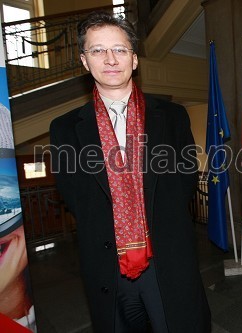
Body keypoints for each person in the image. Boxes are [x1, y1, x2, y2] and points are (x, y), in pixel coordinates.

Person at [49, 11, 210, 332]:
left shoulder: (172, 115)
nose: (110, 59)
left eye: (120, 50)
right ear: (84, 61)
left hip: (165, 256)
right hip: (107, 261)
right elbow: (74, 193)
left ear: (134, 60)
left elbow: (184, 177)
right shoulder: (65, 128)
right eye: (97, 50)